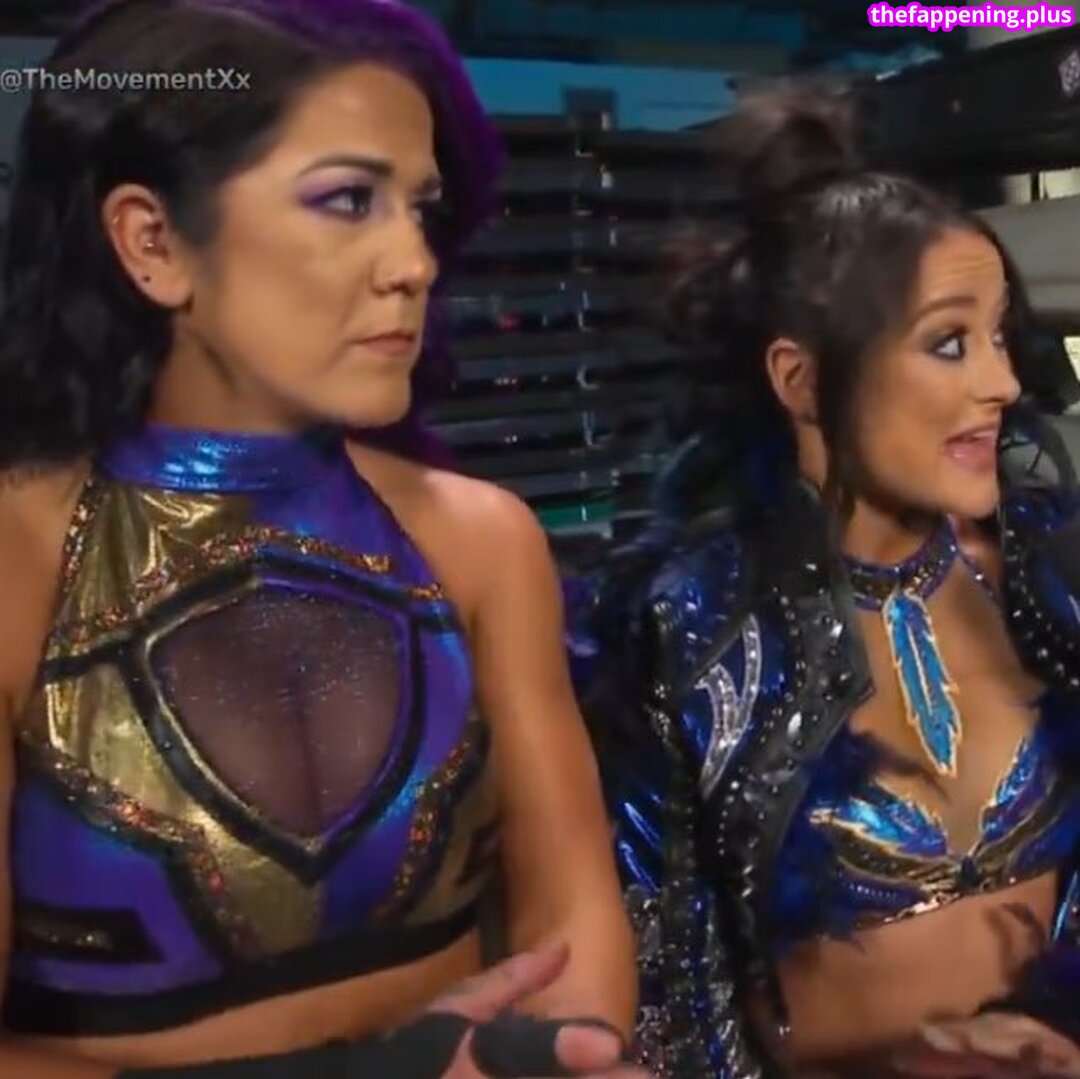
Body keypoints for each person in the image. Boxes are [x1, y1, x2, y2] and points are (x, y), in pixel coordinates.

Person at [0, 1, 640, 1076]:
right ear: (153, 243)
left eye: (422, 210)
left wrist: (564, 1052)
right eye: (348, 200)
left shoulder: (482, 543)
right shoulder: (18, 556)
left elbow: (574, 929)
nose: (414, 263)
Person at [569, 89, 1080, 1079]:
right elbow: (662, 990)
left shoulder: (1051, 584)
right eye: (950, 342)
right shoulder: (689, 629)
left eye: (1000, 337)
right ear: (801, 380)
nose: (1004, 382)